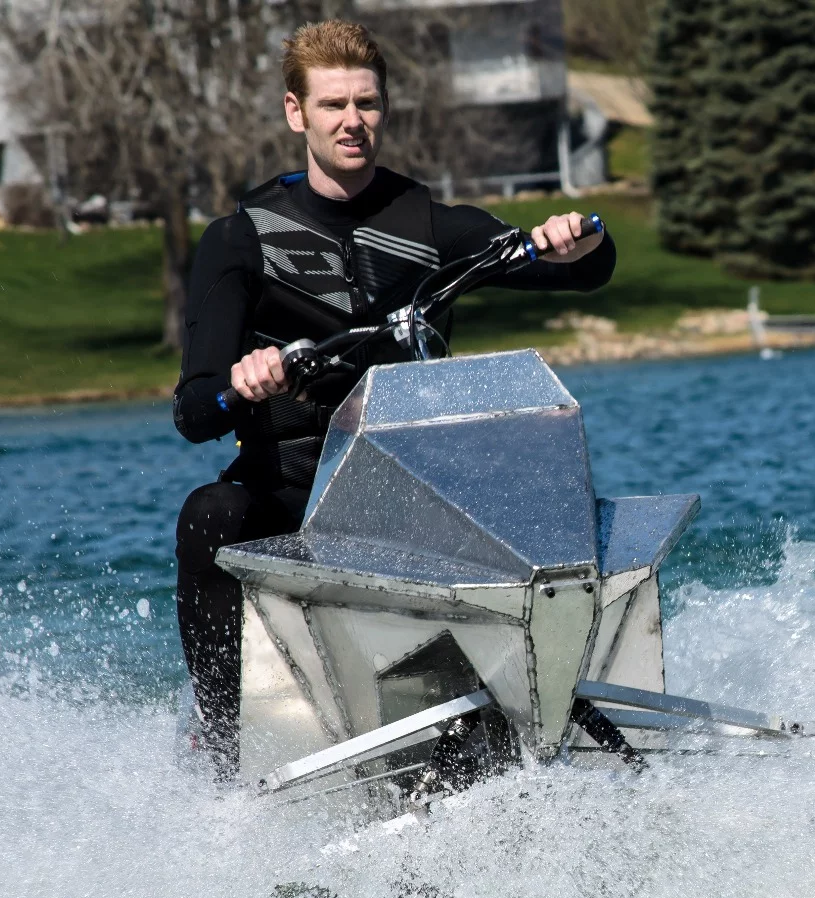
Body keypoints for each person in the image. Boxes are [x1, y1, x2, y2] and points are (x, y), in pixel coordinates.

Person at [173, 20, 614, 776]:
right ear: (296, 112)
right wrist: (244, 386)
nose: (353, 121)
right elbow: (193, 410)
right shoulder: (240, 240)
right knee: (209, 513)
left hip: (411, 502)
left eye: (367, 104)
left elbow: (581, 271)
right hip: (292, 497)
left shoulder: (434, 227)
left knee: (532, 503)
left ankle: (539, 701)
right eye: (334, 105)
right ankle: (223, 747)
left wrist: (583, 241)